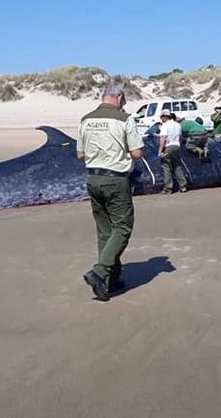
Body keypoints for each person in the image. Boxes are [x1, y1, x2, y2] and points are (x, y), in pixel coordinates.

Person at [77, 81, 144, 301]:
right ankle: (99, 272)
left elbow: (80, 155)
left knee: (105, 231)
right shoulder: (125, 119)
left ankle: (111, 280)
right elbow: (136, 153)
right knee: (123, 227)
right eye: (123, 100)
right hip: (115, 179)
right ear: (119, 98)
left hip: (93, 178)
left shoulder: (86, 119)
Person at [157, 110, 187, 194]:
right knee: (177, 165)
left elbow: (163, 139)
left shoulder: (165, 126)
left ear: (164, 117)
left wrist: (160, 151)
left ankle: (168, 188)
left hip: (168, 148)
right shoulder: (177, 125)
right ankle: (183, 186)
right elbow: (181, 137)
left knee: (166, 166)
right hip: (176, 146)